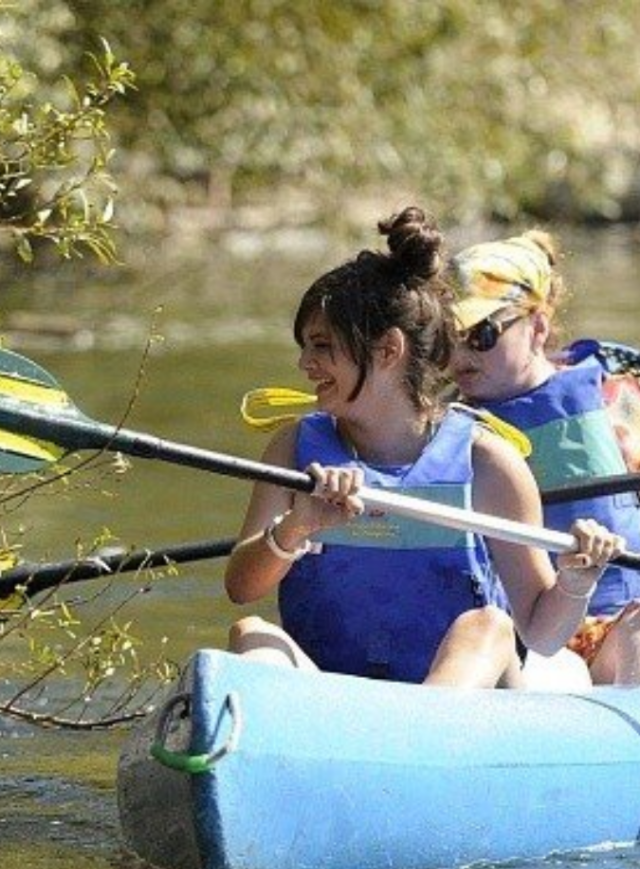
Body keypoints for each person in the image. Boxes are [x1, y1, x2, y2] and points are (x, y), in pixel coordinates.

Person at [224, 206, 624, 689]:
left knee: (489, 627)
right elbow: (241, 590)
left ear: (388, 350)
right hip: (333, 695)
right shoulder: (292, 449)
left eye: (322, 346)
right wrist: (298, 525)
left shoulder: (489, 462)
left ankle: (408, 745)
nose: (305, 363)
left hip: (458, 703)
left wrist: (576, 582)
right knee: (252, 636)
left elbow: (541, 635)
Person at [449, 230, 640, 684]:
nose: (459, 354)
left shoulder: (616, 392)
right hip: (529, 631)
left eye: (482, 334)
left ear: (537, 326)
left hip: (622, 618)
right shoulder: (445, 427)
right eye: (445, 337)